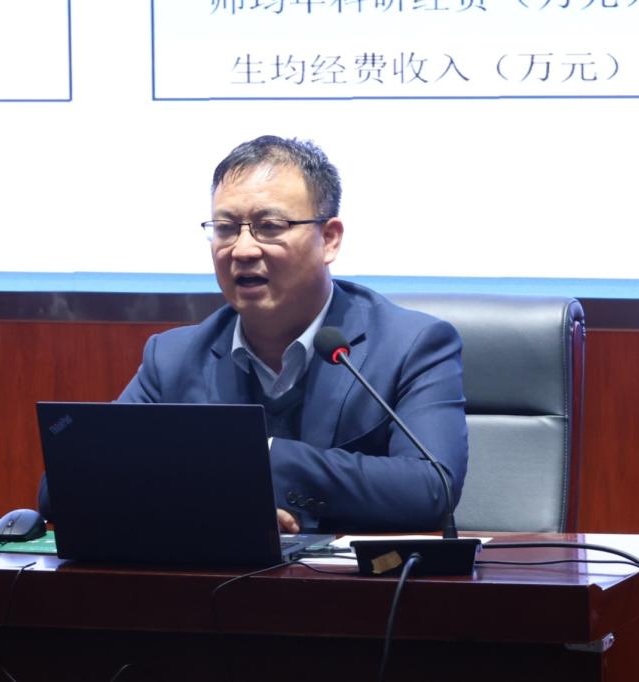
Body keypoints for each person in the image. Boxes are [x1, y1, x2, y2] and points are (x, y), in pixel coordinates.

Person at [41, 135, 468, 533]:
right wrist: (222, 500)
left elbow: (432, 486)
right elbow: (64, 486)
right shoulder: (173, 357)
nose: (242, 249)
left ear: (329, 239)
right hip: (216, 583)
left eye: (270, 226)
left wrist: (261, 458)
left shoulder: (411, 345)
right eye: (226, 228)